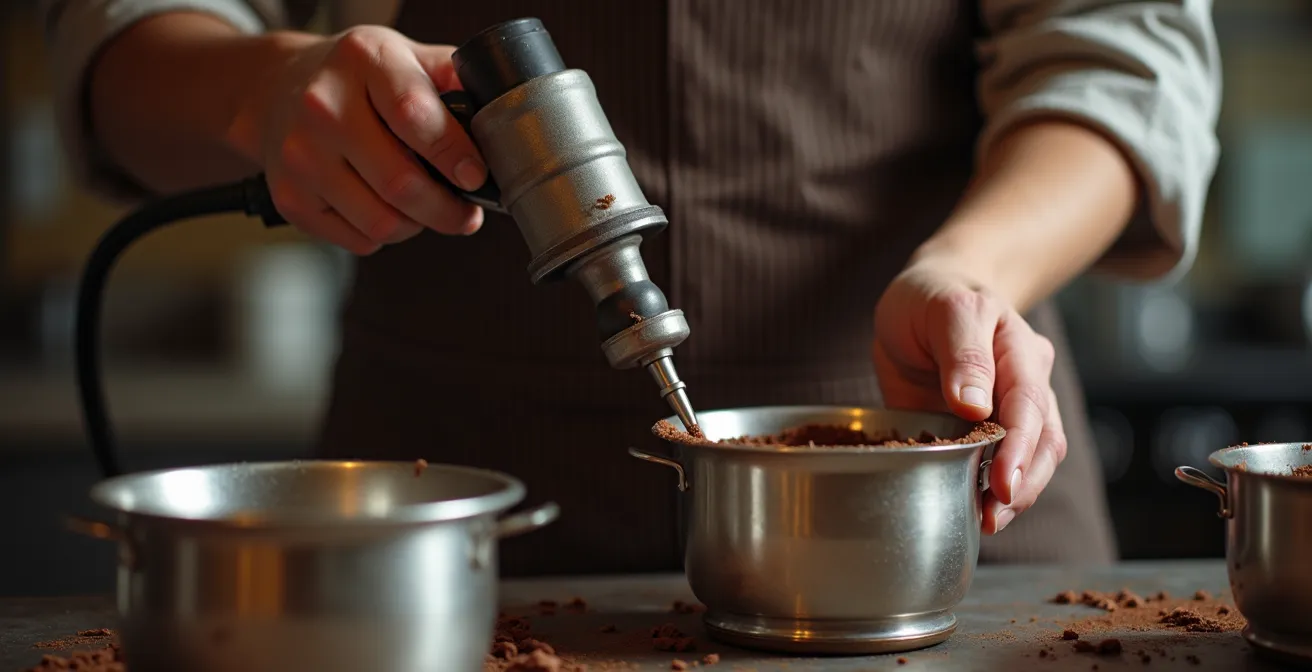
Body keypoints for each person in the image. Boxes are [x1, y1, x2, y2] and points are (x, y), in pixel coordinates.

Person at [42, 0, 1219, 575]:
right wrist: (261, 88)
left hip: (927, 487)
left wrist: (969, 272)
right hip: (448, 524)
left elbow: (1122, 61)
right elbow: (116, 46)